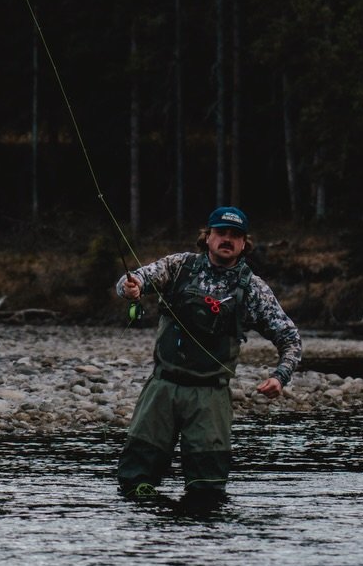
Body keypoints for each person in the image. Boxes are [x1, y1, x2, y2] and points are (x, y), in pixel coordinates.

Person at [114, 205, 301, 502]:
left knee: (207, 490)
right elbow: (132, 282)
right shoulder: (179, 267)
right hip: (163, 387)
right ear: (208, 237)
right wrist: (130, 290)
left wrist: (280, 376)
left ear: (243, 243)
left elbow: (290, 339)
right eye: (221, 233)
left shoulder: (253, 289)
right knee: (135, 482)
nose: (227, 239)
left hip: (210, 396)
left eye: (234, 235)